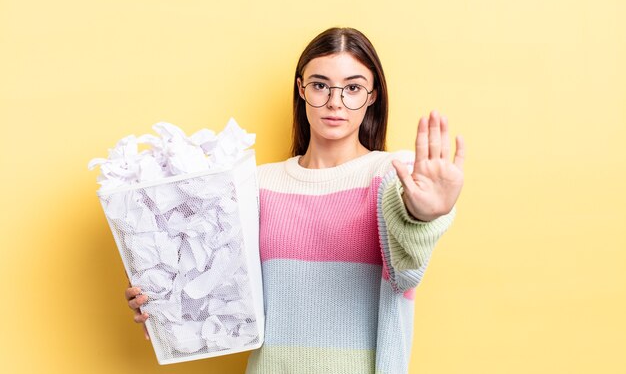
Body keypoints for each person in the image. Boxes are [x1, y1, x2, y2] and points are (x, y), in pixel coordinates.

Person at [125, 27, 465, 374]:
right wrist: (163, 301)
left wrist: (422, 217)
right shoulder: (256, 184)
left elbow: (406, 270)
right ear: (301, 89)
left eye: (352, 88)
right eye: (320, 85)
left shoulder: (393, 176)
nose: (335, 101)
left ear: (373, 94)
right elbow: (218, 290)